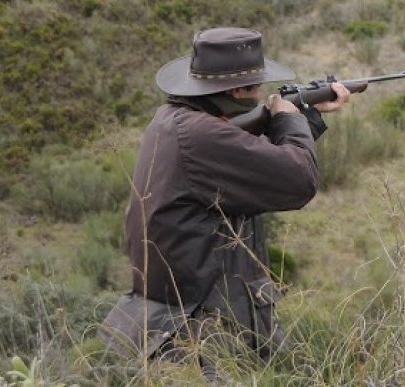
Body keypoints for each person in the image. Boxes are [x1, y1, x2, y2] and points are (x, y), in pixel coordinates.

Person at [99, 27, 350, 369]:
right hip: (204, 333)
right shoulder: (203, 135)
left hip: (183, 324)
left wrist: (307, 118)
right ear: (237, 90)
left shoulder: (173, 121)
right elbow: (298, 180)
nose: (261, 91)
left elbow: (258, 168)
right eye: (256, 85)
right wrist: (289, 119)